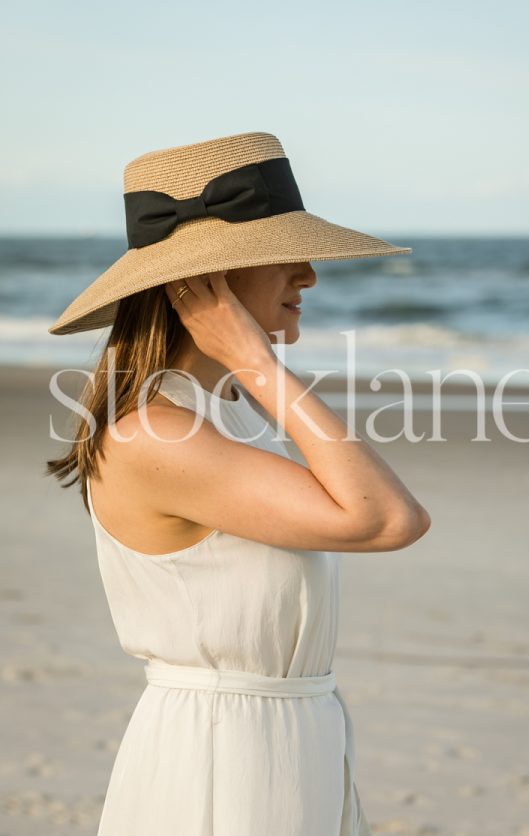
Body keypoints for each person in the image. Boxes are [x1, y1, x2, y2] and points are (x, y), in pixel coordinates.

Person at [46, 131, 431, 836]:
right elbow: (386, 519)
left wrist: (252, 375)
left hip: (292, 737)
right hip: (223, 753)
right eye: (283, 254)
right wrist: (256, 361)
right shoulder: (153, 435)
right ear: (201, 284)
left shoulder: (222, 413)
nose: (309, 275)